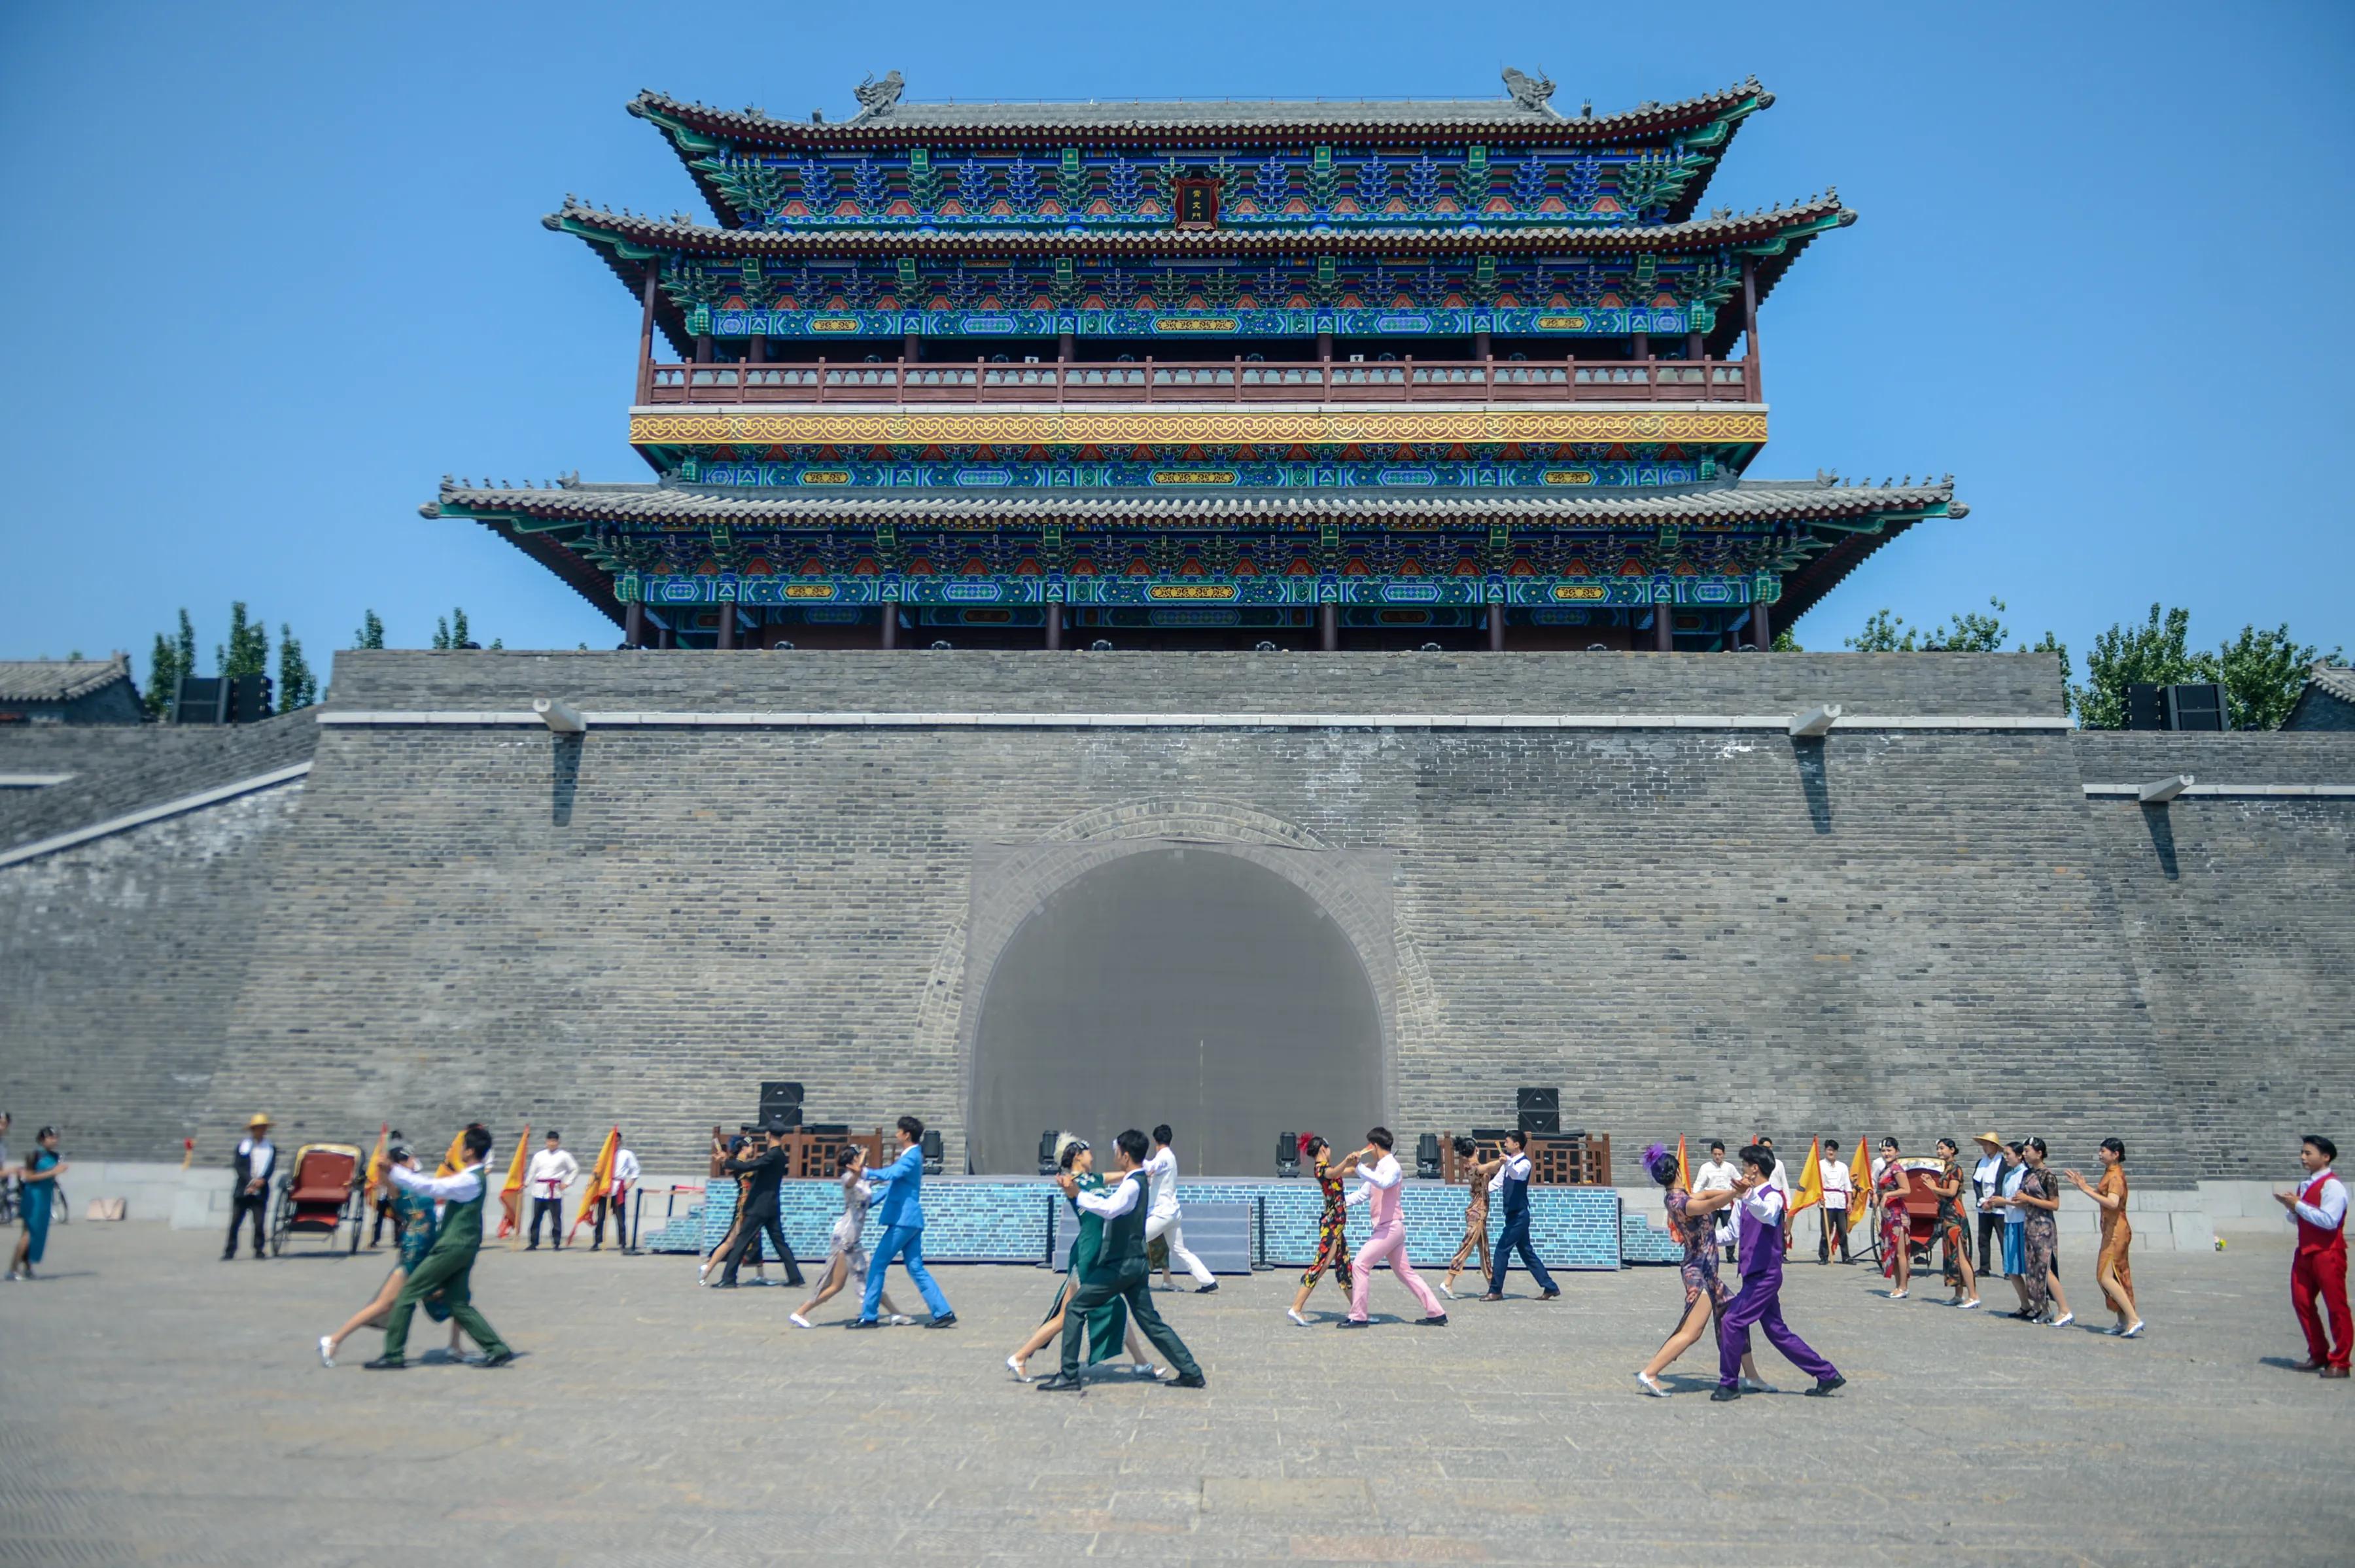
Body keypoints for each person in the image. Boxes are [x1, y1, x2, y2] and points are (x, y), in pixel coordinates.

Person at [1035, 1128, 1204, 1391]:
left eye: (1117, 1151)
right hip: (1136, 1264)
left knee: (1076, 1308)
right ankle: (1191, 1371)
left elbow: (1110, 1209)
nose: (1114, 1155)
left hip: (1121, 1266)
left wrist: (1076, 1195)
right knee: (1151, 1321)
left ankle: (1069, 1375)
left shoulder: (1133, 1184)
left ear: (1125, 1156)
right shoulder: (1137, 1178)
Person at [364, 1124, 515, 1370]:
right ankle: (497, 1349)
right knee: (458, 1303)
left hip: (453, 1246)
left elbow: (431, 1188)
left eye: (463, 1146)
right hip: (464, 1245)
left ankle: (393, 1354)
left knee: (408, 1293)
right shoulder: (474, 1178)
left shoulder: (469, 1179)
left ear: (469, 1151)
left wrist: (393, 1169)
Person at [1006, 1136, 1155, 1381]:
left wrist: (1148, 1167)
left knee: (1093, 1309)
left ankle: (1141, 1362)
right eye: (1088, 1153)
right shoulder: (1071, 1181)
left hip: (1098, 1249)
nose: (1092, 1157)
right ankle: (1020, 1357)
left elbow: (1130, 1173)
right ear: (1077, 1156)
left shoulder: (1095, 1179)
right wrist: (1065, 1182)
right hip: (1088, 1251)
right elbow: (1067, 1185)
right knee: (1076, 1314)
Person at [1713, 1143, 1843, 1401]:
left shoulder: (1772, 1197)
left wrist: (1748, 1196)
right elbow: (1730, 1234)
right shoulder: (1745, 1199)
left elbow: (1767, 1214)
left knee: (1731, 1321)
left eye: (1744, 1166)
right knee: (1776, 1331)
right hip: (1753, 1274)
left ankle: (1729, 1383)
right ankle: (1826, 1374)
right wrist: (1703, 1238)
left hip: (1766, 1276)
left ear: (1754, 1168)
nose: (1742, 1171)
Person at [1634, 1143, 1764, 1397]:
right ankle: (1649, 1373)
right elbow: (1709, 1206)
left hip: (1709, 1274)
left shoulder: (1681, 1196)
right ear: (1678, 1171)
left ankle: (1751, 1376)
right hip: (1699, 1273)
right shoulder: (1681, 1203)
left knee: (1734, 1320)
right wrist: (1737, 1193)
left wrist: (1736, 1189)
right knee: (1692, 1331)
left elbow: (1708, 1196)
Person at [319, 1145, 464, 1366]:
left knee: (457, 1295)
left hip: (429, 1247)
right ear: (400, 1163)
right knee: (385, 1304)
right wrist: (384, 1167)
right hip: (414, 1250)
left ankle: (455, 1345)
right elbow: (385, 1179)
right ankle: (334, 1340)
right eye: (409, 1158)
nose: (414, 1160)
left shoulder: (417, 1182)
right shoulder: (396, 1186)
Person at [852, 1115, 954, 1329]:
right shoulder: (911, 1156)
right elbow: (892, 1187)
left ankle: (869, 1315)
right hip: (910, 1221)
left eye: (899, 1131)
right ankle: (943, 1312)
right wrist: (867, 1203)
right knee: (916, 1267)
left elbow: (892, 1174)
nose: (897, 1134)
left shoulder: (911, 1156)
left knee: (878, 1265)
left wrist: (864, 1172)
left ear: (907, 1134)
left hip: (904, 1221)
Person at [1341, 1127, 1448, 1327]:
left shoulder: (1393, 1167)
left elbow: (1383, 1183)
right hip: (1389, 1228)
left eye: (1369, 1146)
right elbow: (1363, 1194)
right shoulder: (1378, 1167)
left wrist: (1359, 1169)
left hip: (1389, 1229)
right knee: (1405, 1273)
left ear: (1374, 1146)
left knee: (1360, 1265)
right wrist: (1337, 1204)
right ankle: (1436, 1312)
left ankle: (1358, 1316)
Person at [792, 1147, 909, 1329]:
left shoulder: (864, 1179)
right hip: (845, 1238)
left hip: (854, 1238)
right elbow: (853, 1180)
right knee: (836, 1285)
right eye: (857, 1159)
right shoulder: (848, 1178)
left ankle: (896, 1313)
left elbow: (885, 1177)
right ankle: (801, 1312)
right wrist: (861, 1161)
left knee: (870, 1278)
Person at [2274, 1134, 2348, 1376]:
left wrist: (2299, 1206)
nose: (2303, 1157)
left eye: (2308, 1153)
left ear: (2325, 1158)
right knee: (2302, 1302)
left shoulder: (2333, 1186)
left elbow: (2329, 1221)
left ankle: (2341, 1361)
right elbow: (2300, 1219)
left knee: (2336, 1307)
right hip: (2305, 1251)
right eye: (2303, 1152)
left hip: (2328, 1252)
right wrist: (2291, 1207)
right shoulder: (2305, 1185)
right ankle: (2318, 1353)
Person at [2064, 1139, 2141, 1338]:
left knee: (2105, 1276)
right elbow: (2102, 1195)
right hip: (2111, 1230)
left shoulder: (2116, 1176)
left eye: (2103, 1151)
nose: (2100, 1154)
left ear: (2115, 1154)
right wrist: (2084, 1187)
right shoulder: (2109, 1173)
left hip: (2117, 1231)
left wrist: (2084, 1189)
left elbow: (2113, 1203)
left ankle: (2133, 1318)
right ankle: (2122, 1320)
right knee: (2115, 1276)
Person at [714, 1126, 805, 1289]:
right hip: (772, 1205)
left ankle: (728, 1278)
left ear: (768, 1135)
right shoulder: (780, 1156)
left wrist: (726, 1162)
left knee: (742, 1241)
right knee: (779, 1242)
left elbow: (750, 1166)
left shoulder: (772, 1155)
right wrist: (728, 1161)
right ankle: (795, 1277)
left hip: (760, 1206)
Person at [1287, 1135, 1360, 1325]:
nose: (1330, 1151)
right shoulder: (1321, 1169)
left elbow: (1350, 1171)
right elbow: (1335, 1172)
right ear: (1323, 1149)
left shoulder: (1330, 1170)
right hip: (1331, 1227)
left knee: (1344, 1268)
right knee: (1321, 1266)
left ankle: (1359, 1311)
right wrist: (1347, 1160)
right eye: (1329, 1148)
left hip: (1337, 1228)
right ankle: (1296, 1308)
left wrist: (1364, 1165)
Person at [1481, 1128, 1559, 1302]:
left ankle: (1496, 1290)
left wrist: (1507, 1162)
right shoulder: (1507, 1164)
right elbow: (1497, 1183)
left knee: (1502, 1250)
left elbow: (1517, 1175)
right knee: (1527, 1253)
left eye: (1508, 1142)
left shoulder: (1524, 1164)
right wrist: (1481, 1193)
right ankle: (1550, 1286)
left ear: (1517, 1144)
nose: (1505, 1144)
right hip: (1512, 1215)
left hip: (1520, 1216)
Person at [1144, 1124, 1217, 1293]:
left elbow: (1149, 1169)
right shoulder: (1170, 1157)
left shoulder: (1163, 1157)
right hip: (1173, 1214)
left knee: (1134, 1239)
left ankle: (1118, 1280)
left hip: (1162, 1214)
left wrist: (1134, 1154)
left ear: (1156, 1141)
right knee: (1180, 1250)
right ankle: (1208, 1281)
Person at [2013, 1138, 2072, 1327]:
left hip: (2044, 1227)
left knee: (2046, 1269)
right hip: (2029, 1224)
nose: (2025, 1154)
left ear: (2039, 1153)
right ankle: (2043, 1309)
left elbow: (2054, 1204)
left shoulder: (2048, 1176)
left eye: (2028, 1150)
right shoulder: (2028, 1174)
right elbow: (2023, 1200)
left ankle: (2065, 1310)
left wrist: (2028, 1199)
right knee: (2033, 1268)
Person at [1440, 1136, 1501, 1299]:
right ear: (1476, 1150)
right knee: (1466, 1248)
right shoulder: (1474, 1167)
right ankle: (1448, 1282)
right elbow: (1490, 1167)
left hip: (1480, 1213)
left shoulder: (1472, 1166)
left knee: (1484, 1251)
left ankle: (1493, 1287)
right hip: (1477, 1213)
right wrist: (1501, 1161)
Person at [1923, 1138, 1981, 1309]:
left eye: (1942, 1148)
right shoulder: (1946, 1169)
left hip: (1956, 1216)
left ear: (1952, 1150)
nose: (1939, 1151)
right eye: (1938, 1149)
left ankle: (1973, 1295)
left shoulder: (1956, 1169)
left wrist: (1933, 1187)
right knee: (1951, 1257)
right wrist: (1931, 1187)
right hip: (1946, 1216)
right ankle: (1958, 1294)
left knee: (1961, 1256)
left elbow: (1951, 1192)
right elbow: (1941, 1196)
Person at [701, 1133, 762, 1286]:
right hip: (744, 1204)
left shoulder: (739, 1162)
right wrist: (726, 1160)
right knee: (731, 1240)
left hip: (752, 1203)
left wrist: (726, 1159)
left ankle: (760, 1274)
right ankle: (707, 1269)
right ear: (743, 1148)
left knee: (755, 1237)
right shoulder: (739, 1163)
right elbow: (742, 1168)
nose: (753, 1149)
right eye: (750, 1146)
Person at [6, 1126, 66, 1281]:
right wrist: (53, 1172)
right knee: (28, 1233)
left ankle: (28, 1267)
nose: (54, 1140)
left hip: (46, 1197)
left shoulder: (55, 1156)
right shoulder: (35, 1155)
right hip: (33, 1196)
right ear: (42, 1139)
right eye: (50, 1137)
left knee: (39, 1234)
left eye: (56, 1137)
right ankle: (13, 1269)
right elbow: (30, 1177)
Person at [224, 1113, 275, 1261]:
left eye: (263, 1128)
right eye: (258, 1128)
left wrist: (262, 1180)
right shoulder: (243, 1147)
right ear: (253, 1130)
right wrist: (251, 1181)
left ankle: (259, 1249)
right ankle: (230, 1250)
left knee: (259, 1223)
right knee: (235, 1222)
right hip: (243, 1190)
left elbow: (270, 1168)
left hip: (261, 1190)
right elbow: (239, 1167)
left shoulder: (271, 1148)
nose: (261, 1130)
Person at [1874, 1138, 1915, 1299]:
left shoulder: (1897, 1169)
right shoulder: (1886, 1169)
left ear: (1897, 1152)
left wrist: (1889, 1195)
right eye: (1884, 1151)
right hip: (1888, 1216)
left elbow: (1906, 1190)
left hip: (1898, 1215)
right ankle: (1898, 1285)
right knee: (1893, 1252)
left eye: (1890, 1150)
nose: (1886, 1154)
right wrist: (1877, 1197)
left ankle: (1904, 1286)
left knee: (1901, 1254)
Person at [525, 1130, 578, 1251]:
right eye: (550, 1141)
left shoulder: (564, 1155)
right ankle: (533, 1242)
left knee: (556, 1219)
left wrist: (567, 1183)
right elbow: (532, 1171)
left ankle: (556, 1242)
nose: (552, 1144)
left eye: (554, 1141)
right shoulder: (539, 1155)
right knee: (536, 1218)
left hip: (555, 1190)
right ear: (546, 1141)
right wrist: (526, 1183)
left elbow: (575, 1169)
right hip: (540, 1190)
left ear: (558, 1142)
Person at [1692, 1140, 1739, 1262]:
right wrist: (1695, 1198)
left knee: (1730, 1229)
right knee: (1708, 1229)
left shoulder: (1730, 1167)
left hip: (1726, 1205)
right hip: (1711, 1204)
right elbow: (1699, 1184)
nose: (1718, 1157)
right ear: (1712, 1154)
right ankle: (1707, 1254)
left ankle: (1730, 1255)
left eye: (1720, 1154)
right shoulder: (1706, 1167)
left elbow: (1738, 1180)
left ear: (1724, 1154)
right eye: (1715, 1154)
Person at [592, 1135, 639, 1251]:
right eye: (613, 1141)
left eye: (617, 1141)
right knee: (601, 1217)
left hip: (618, 1188)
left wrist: (630, 1183)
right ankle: (597, 1242)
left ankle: (622, 1242)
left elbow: (635, 1169)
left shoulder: (626, 1154)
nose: (615, 1143)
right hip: (605, 1188)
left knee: (620, 1218)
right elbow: (597, 1170)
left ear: (620, 1141)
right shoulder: (604, 1154)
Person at [1969, 1132, 2006, 1277]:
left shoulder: (2003, 1163)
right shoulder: (1981, 1162)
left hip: (1999, 1206)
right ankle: (1984, 1267)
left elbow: (2002, 1183)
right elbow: (1976, 1183)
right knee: (1983, 1238)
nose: (1985, 1147)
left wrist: (1992, 1201)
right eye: (1983, 1145)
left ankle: (2008, 1269)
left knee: (2003, 1238)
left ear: (1994, 1146)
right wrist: (1982, 1200)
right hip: (1983, 1205)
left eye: (1987, 1144)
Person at [367, 1129, 407, 1250]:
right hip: (390, 1190)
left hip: (388, 1190)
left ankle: (378, 1240)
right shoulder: (391, 1155)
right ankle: (396, 1240)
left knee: (387, 1217)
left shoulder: (391, 1155)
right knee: (394, 1217)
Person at [1818, 1136, 1854, 1265]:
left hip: (1840, 1201)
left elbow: (1847, 1186)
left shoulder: (1842, 1167)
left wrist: (1849, 1202)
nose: (1831, 1152)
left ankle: (1846, 1256)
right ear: (1825, 1151)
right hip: (1826, 1200)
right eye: (1829, 1150)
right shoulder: (1820, 1165)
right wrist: (1819, 1198)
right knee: (1826, 1231)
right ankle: (1824, 1256)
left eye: (1833, 1150)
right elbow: (1816, 1184)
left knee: (1842, 1231)